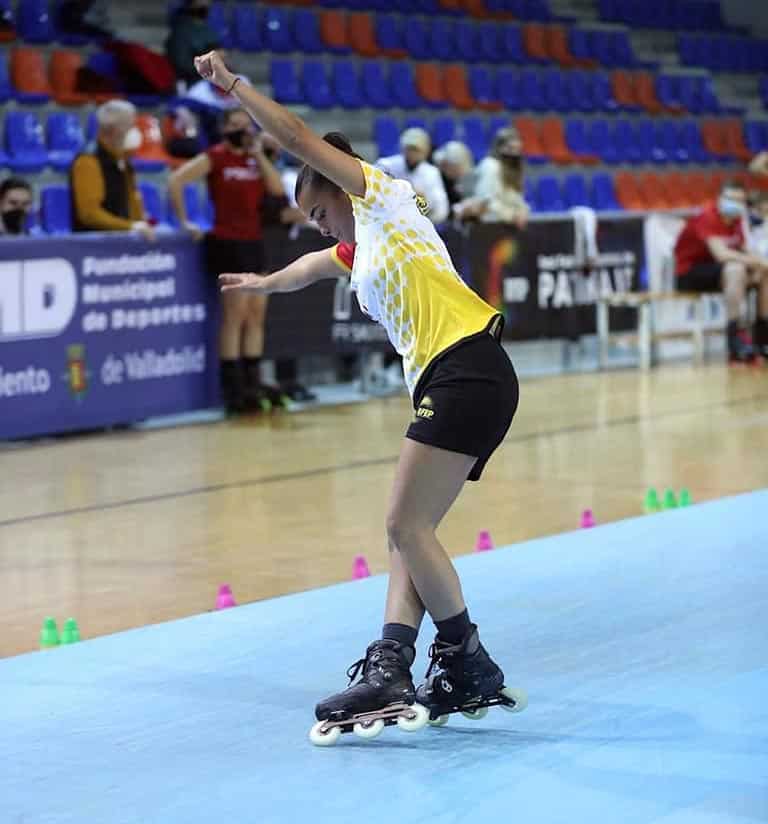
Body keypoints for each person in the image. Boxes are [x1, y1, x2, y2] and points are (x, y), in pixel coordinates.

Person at [194, 50, 520, 734]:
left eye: (319, 210)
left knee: (404, 525)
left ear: (339, 189)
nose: (320, 225)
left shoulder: (384, 198)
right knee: (411, 532)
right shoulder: (363, 246)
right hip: (460, 376)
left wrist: (234, 89)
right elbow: (318, 264)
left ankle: (466, 659)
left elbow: (297, 140)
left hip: (466, 366)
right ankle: (392, 665)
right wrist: (264, 283)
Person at [168, 108, 288, 412]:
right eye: (235, 125)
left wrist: (258, 154)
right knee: (235, 315)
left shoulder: (255, 159)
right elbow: (176, 181)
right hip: (227, 241)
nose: (241, 130)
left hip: (254, 241)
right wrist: (185, 221)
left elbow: (276, 190)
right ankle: (232, 389)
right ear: (224, 129)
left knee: (256, 315)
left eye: (246, 125)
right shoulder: (216, 156)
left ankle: (253, 383)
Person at [674, 179, 768, 362]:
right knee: (735, 269)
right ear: (720, 199)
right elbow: (721, 254)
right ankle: (735, 337)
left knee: (764, 273)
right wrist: (755, 261)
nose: (735, 203)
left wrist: (760, 264)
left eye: (740, 200)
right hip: (689, 272)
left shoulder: (739, 220)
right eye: (731, 198)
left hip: (719, 271)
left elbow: (745, 248)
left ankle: (763, 337)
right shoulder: (706, 217)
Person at [70, 100, 154, 241]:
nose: (135, 131)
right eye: (131, 125)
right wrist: (130, 226)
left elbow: (133, 199)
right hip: (94, 247)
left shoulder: (123, 160)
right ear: (114, 129)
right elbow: (90, 214)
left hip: (121, 241)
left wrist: (142, 223)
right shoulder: (88, 161)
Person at [376, 127, 449, 225]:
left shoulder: (432, 172)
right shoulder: (386, 165)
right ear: (402, 148)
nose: (412, 153)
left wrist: (424, 202)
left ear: (425, 152)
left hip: (419, 223)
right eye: (409, 148)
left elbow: (441, 209)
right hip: (385, 220)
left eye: (416, 150)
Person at [473, 126, 529, 228]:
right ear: (499, 148)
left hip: (506, 226)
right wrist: (511, 216)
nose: (514, 154)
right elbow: (485, 201)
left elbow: (516, 199)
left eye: (517, 150)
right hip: (486, 226)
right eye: (510, 149)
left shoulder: (513, 170)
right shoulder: (489, 165)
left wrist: (522, 211)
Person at [166, 0, 220, 89]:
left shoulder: (208, 30)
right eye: (201, 2)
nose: (206, 5)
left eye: (207, 2)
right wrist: (208, 66)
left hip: (210, 80)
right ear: (191, 5)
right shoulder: (181, 31)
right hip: (191, 83)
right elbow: (182, 65)